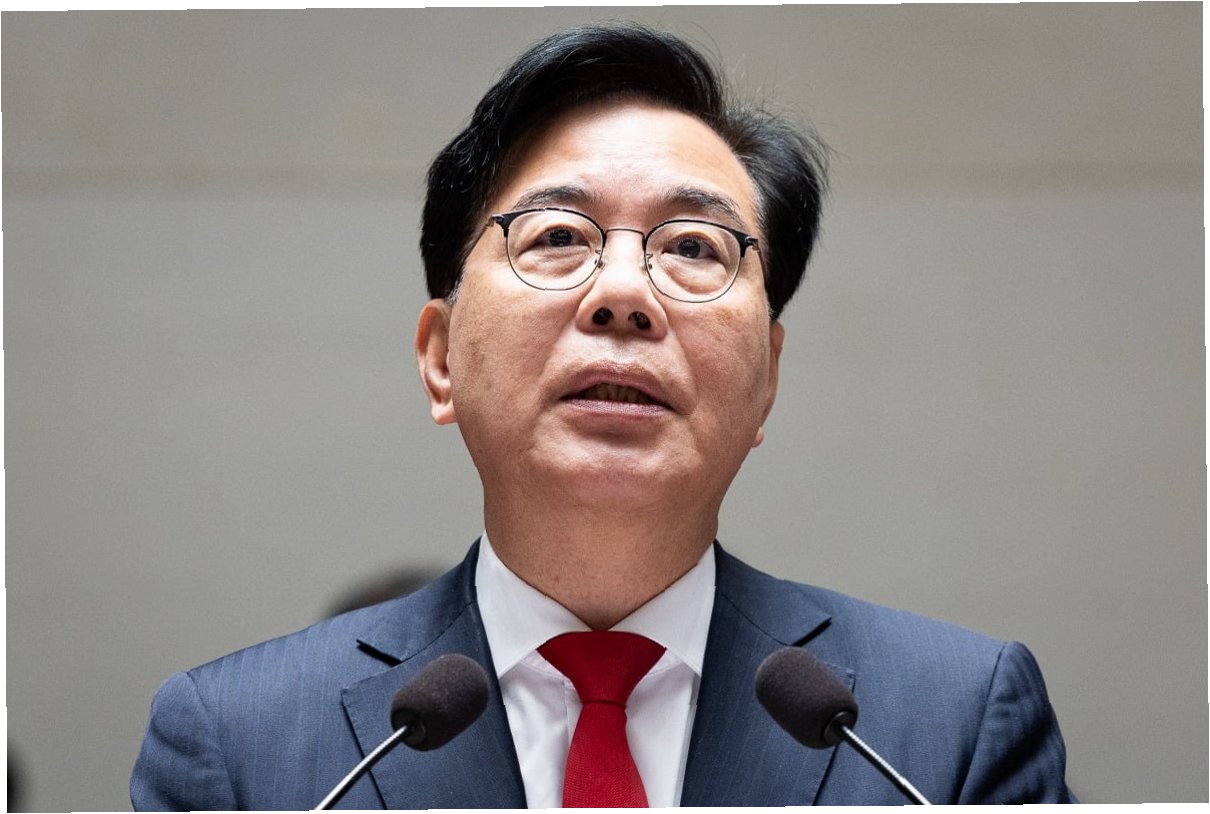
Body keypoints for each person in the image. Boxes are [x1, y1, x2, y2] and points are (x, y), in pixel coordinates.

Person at [131, 24, 1075, 808]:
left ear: (768, 380)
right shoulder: (240, 745)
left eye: (695, 247)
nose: (624, 294)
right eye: (557, 236)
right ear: (441, 358)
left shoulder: (948, 727)